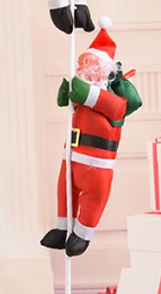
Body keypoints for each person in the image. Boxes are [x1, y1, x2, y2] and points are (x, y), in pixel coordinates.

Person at [40, 18, 142, 256]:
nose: (87, 69)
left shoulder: (113, 99)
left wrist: (84, 93)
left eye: (92, 64)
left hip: (97, 164)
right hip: (72, 156)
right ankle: (62, 229)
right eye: (84, 64)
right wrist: (67, 96)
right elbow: (76, 103)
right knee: (65, 191)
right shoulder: (82, 95)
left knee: (93, 198)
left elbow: (115, 108)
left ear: (105, 70)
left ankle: (82, 234)